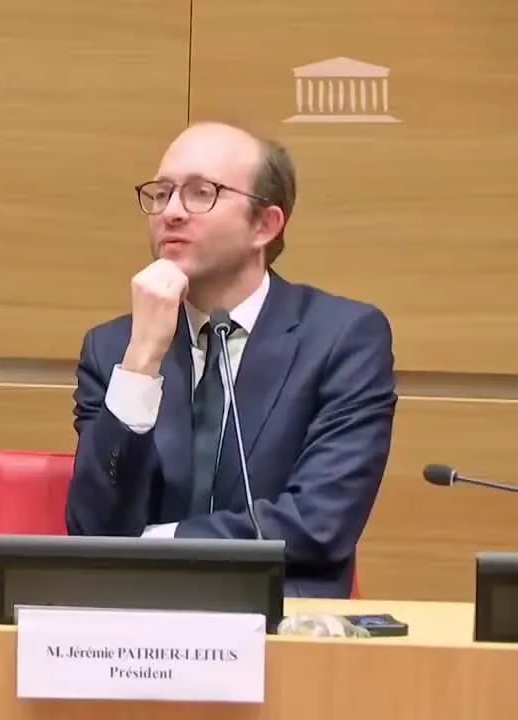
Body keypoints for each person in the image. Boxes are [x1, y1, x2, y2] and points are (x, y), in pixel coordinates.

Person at [65, 121, 397, 597]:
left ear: (265, 225)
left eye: (201, 193)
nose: (171, 212)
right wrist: (141, 362)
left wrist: (163, 541)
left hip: (280, 619)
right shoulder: (113, 349)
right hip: (140, 623)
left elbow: (318, 522)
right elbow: (94, 531)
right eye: (162, 193)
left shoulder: (342, 339)